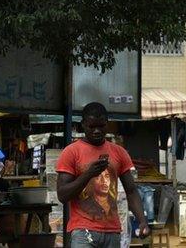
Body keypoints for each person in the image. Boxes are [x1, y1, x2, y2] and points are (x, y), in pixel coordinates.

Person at [57, 102, 149, 248]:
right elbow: (62, 195)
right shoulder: (71, 152)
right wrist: (88, 174)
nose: (97, 131)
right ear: (83, 125)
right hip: (83, 231)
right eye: (91, 127)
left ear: (107, 124)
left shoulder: (119, 152)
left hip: (112, 232)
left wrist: (142, 221)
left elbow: (131, 191)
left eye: (101, 126)